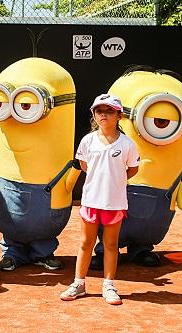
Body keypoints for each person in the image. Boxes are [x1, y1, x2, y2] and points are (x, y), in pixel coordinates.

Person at [60, 94, 140, 305]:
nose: (103, 115)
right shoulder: (87, 140)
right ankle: (79, 283)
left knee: (111, 245)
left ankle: (109, 285)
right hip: (90, 201)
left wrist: (115, 180)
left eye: (109, 111)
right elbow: (85, 166)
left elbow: (132, 169)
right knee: (86, 243)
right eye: (99, 111)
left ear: (119, 115)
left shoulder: (127, 144)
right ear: (94, 115)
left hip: (115, 203)